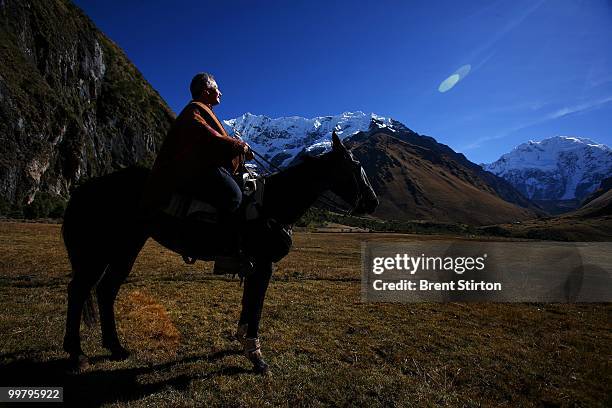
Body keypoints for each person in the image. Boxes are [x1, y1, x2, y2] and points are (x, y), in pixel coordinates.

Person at [141, 72, 253, 255]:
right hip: (191, 170)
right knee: (233, 196)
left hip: (198, 167)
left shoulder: (202, 110)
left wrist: (240, 152)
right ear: (206, 89)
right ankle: (223, 247)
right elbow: (207, 136)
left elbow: (214, 141)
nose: (220, 92)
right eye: (217, 88)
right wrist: (239, 146)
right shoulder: (195, 110)